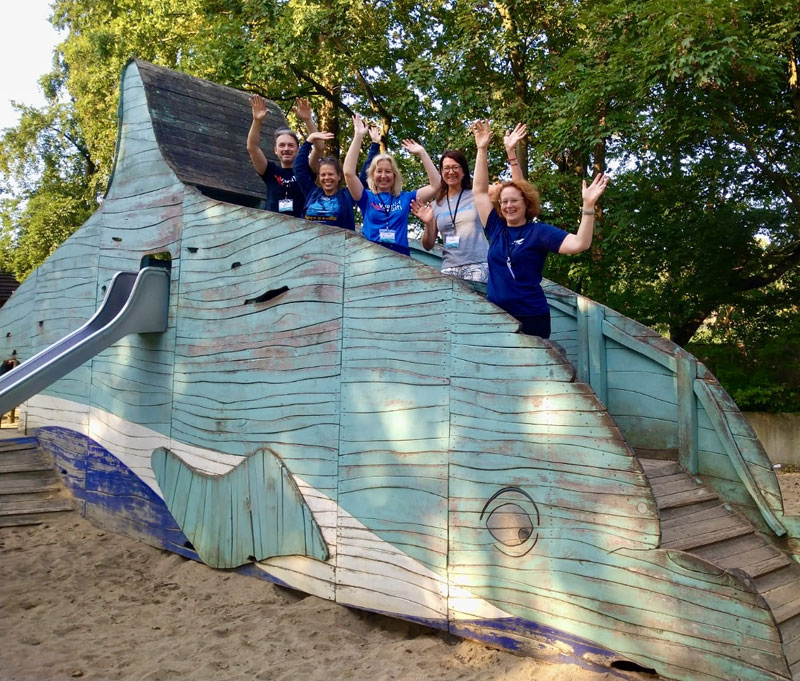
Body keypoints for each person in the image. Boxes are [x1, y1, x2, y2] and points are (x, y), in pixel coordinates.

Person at [470, 120, 610, 338]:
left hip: (531, 318)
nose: (508, 206)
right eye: (504, 202)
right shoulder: (496, 228)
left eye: (514, 201)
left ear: (526, 203)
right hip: (496, 317)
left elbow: (580, 244)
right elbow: (479, 191)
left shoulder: (539, 232)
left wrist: (588, 207)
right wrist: (481, 148)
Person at [410, 124, 528, 283]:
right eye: (446, 168)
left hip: (479, 265)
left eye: (455, 167)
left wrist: (511, 153)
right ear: (441, 173)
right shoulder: (436, 205)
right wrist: (429, 223)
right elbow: (428, 245)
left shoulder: (477, 194)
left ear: (464, 171)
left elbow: (517, 186)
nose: (450, 172)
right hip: (449, 269)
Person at [343, 114, 441, 256]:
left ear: (394, 175)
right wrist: (358, 136)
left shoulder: (405, 198)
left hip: (400, 256)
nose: (383, 176)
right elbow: (348, 173)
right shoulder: (366, 197)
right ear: (372, 175)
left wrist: (422, 153)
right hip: (371, 255)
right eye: (379, 171)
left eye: (388, 171)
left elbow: (436, 185)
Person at [247, 96, 322, 218]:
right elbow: (252, 148)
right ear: (276, 150)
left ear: (298, 150)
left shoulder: (306, 170)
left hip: (302, 229)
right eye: (282, 145)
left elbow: (319, 148)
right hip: (272, 228)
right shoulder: (270, 171)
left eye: (291, 145)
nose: (286, 149)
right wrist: (257, 120)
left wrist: (308, 120)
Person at [293, 127, 381, 230]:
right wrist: (309, 140)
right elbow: (299, 169)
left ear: (339, 176)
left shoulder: (347, 196)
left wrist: (375, 144)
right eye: (323, 175)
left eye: (330, 174)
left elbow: (365, 175)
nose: (326, 178)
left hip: (339, 244)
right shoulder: (312, 192)